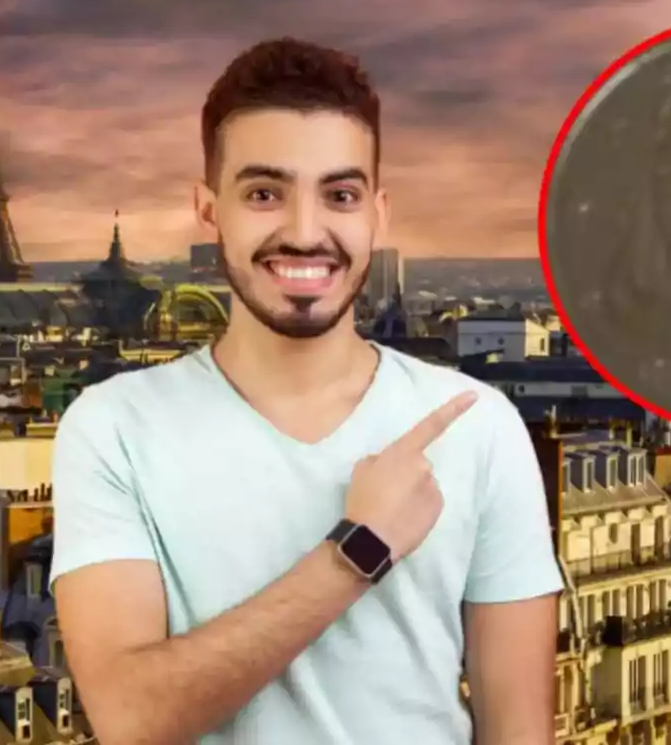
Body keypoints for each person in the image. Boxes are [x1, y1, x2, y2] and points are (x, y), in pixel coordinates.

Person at [50, 37, 563, 745]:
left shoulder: (479, 428)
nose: (303, 230)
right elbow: (130, 718)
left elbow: (520, 733)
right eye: (265, 193)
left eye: (340, 195)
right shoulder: (111, 427)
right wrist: (358, 549)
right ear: (209, 213)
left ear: (377, 213)